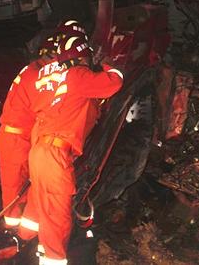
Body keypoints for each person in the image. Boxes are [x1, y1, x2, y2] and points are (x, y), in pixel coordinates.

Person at [0, 20, 91, 260]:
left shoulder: (37, 73)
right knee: (16, 191)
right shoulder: (36, 74)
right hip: (18, 138)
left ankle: (25, 239)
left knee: (37, 194)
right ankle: (13, 237)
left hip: (31, 141)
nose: (58, 62)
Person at [29, 30, 124, 265]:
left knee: (46, 216)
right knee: (58, 219)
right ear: (83, 57)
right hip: (54, 156)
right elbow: (114, 83)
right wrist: (109, 65)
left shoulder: (54, 83)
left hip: (40, 152)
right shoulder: (77, 75)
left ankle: (43, 255)